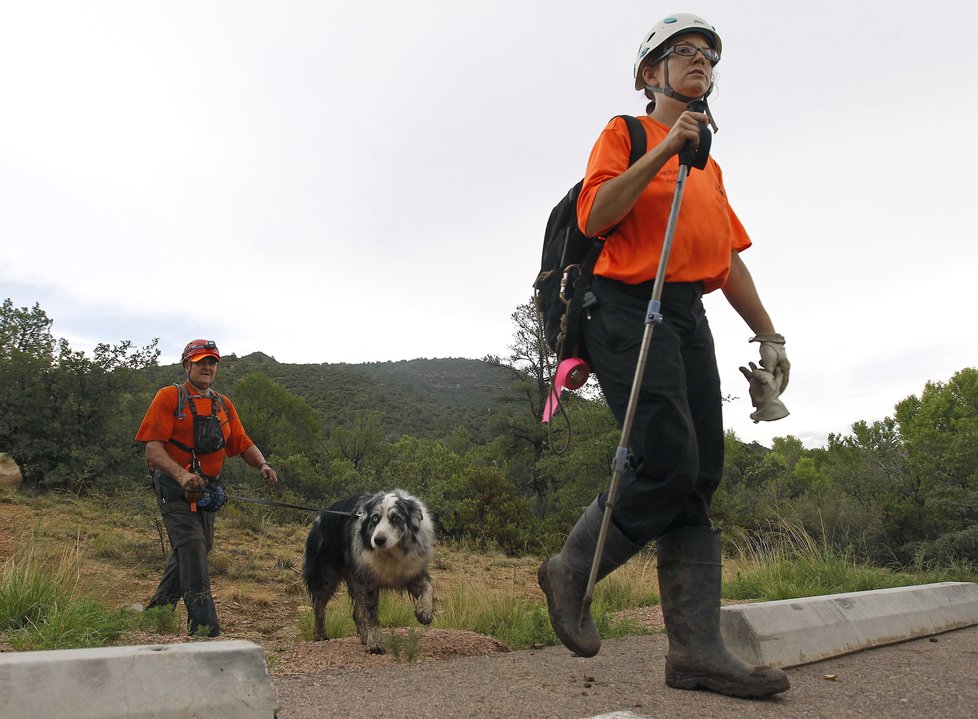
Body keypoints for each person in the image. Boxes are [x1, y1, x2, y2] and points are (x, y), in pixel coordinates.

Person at [537, 14, 791, 698]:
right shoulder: (626, 132)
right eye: (683, 51)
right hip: (623, 305)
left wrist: (769, 333)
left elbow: (725, 256)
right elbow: (595, 216)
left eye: (709, 53)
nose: (701, 59)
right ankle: (571, 569)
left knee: (701, 469)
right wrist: (663, 150)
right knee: (665, 453)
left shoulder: (708, 161)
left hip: (686, 311)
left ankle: (696, 653)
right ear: (650, 74)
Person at [136, 339, 278, 636]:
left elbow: (241, 442)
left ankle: (157, 613)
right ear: (187, 364)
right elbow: (152, 449)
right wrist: (180, 475)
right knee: (192, 546)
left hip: (207, 489)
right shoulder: (168, 397)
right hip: (174, 485)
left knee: (200, 547)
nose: (207, 367)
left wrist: (262, 465)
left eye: (212, 362)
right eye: (201, 361)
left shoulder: (223, 404)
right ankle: (204, 629)